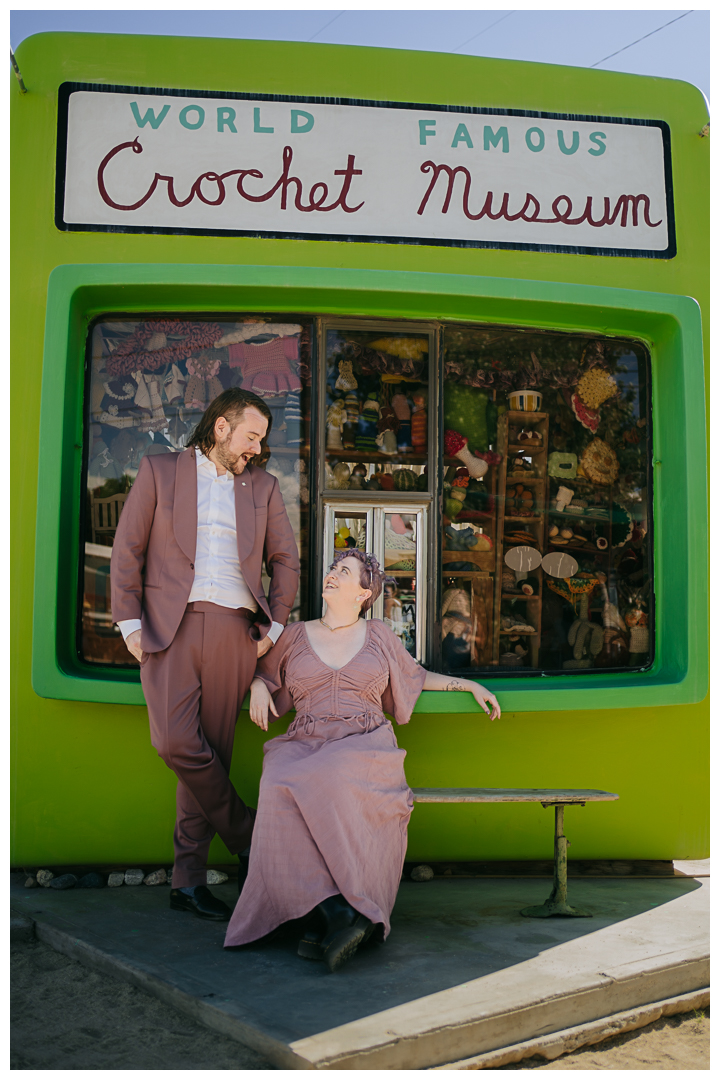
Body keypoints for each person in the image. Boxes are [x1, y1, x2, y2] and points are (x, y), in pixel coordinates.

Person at [224, 549, 500, 971]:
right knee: (276, 780)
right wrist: (258, 685)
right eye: (333, 568)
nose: (332, 574)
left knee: (333, 773)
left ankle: (339, 914)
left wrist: (468, 686)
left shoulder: (380, 636)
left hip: (364, 742)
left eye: (344, 572)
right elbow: (260, 668)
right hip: (305, 738)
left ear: (364, 593)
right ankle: (334, 914)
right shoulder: (295, 634)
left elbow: (417, 676)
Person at [110, 388, 300, 923]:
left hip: (234, 633)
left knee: (212, 753)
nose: (257, 450)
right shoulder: (159, 471)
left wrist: (275, 626)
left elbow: (285, 560)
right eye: (251, 437)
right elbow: (127, 550)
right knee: (173, 741)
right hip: (169, 630)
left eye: (260, 441)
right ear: (220, 428)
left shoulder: (261, 487)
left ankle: (187, 879)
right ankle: (249, 835)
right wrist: (128, 625)